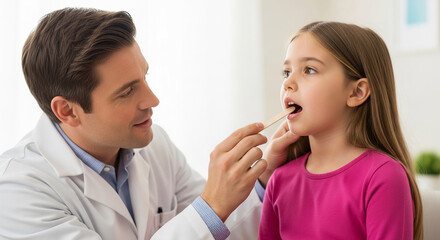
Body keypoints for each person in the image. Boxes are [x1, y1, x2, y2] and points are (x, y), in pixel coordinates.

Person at [0, 8, 276, 239]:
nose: (152, 100)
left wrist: (262, 179)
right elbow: (206, 217)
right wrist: (212, 205)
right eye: (127, 91)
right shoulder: (18, 191)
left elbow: (220, 230)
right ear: (67, 111)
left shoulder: (155, 147)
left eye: (145, 77)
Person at [258, 21, 423, 240]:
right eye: (286, 72)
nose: (288, 83)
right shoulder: (278, 181)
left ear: (357, 92)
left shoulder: (383, 177)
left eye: (309, 69)